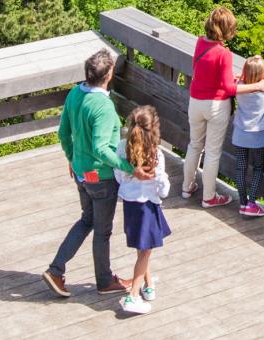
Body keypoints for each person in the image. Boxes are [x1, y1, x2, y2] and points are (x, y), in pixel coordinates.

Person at [44, 49, 153, 298]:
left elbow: (63, 133)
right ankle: (104, 281)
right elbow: (101, 148)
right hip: (100, 176)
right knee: (101, 230)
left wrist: (72, 158)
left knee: (87, 220)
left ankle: (56, 270)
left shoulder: (75, 93)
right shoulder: (102, 106)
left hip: (82, 173)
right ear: (109, 74)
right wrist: (129, 169)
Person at [183, 6, 264, 208]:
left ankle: (187, 187)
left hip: (195, 102)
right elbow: (229, 88)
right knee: (213, 152)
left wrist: (231, 78)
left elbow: (206, 71)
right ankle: (209, 197)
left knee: (194, 145)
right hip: (215, 106)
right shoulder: (224, 53)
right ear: (227, 29)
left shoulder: (200, 43)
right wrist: (258, 85)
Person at [113, 106, 170, 314]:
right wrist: (158, 178)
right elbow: (164, 191)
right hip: (148, 206)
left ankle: (148, 285)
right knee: (145, 251)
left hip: (130, 205)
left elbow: (119, 177)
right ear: (154, 129)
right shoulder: (156, 154)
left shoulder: (121, 147)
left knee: (142, 248)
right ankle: (133, 296)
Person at [232, 56, 264, 217]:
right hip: (257, 135)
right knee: (258, 167)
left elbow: (237, 80)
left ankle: (242, 202)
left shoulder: (240, 86)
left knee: (241, 167)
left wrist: (246, 71)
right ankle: (252, 203)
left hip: (240, 133)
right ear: (263, 74)